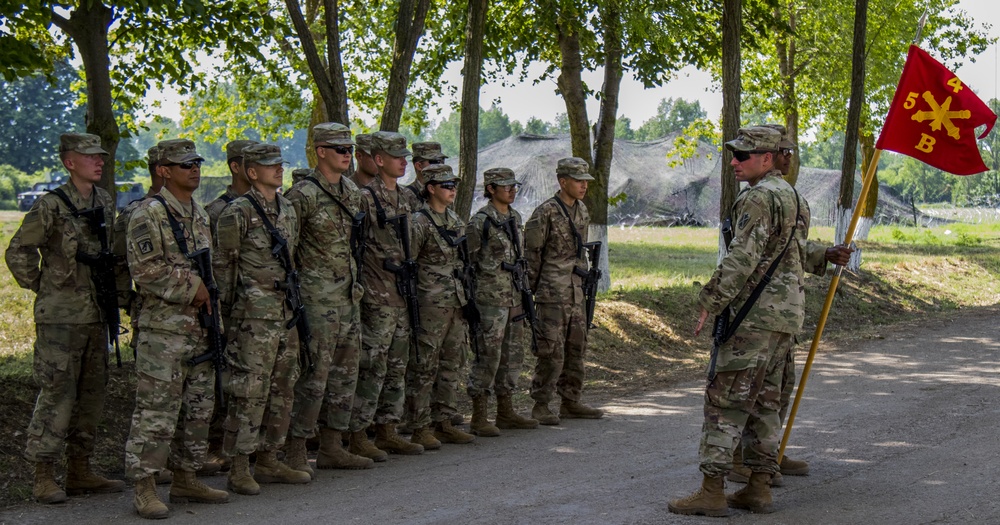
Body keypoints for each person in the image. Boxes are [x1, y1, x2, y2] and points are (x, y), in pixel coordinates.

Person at [668, 126, 804, 517]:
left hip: (752, 317)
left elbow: (743, 257)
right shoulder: (792, 196)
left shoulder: (759, 198)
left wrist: (710, 300)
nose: (733, 162)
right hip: (784, 318)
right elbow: (795, 255)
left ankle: (712, 491)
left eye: (743, 156)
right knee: (765, 403)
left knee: (724, 402)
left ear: (767, 157)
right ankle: (759, 488)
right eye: (733, 155)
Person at [725, 124, 853, 487]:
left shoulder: (792, 197)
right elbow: (748, 253)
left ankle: (765, 458)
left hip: (782, 309)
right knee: (744, 388)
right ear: (772, 155)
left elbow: (791, 250)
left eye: (790, 152)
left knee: (773, 389)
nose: (788, 158)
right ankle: (742, 459)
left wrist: (824, 254)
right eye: (785, 151)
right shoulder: (760, 195)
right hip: (757, 308)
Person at [5, 133, 127, 504]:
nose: (99, 161)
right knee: (58, 393)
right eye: (90, 156)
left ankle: (80, 470)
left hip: (95, 314)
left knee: (92, 395)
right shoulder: (51, 205)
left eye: (101, 156)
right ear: (69, 162)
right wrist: (45, 286)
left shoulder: (104, 201)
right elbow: (19, 250)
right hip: (60, 319)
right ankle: (44, 473)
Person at [124, 139, 229, 519]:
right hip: (164, 332)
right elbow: (146, 270)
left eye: (197, 163)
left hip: (200, 327)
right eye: (185, 165)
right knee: (156, 411)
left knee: (199, 408)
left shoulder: (197, 213)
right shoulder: (147, 213)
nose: (194, 169)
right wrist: (192, 288)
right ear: (163, 171)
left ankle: (187, 476)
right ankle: (145, 486)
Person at [213, 143, 311, 495]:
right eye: (269, 165)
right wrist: (226, 317)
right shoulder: (236, 212)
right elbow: (224, 269)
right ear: (250, 172)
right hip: (252, 315)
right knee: (249, 390)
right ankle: (239, 465)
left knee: (283, 387)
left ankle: (269, 457)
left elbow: (293, 257)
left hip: (284, 311)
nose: (278, 169)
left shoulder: (286, 209)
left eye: (279, 163)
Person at [284, 122, 373, 474]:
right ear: (321, 151)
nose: (347, 155)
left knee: (345, 374)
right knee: (313, 376)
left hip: (348, 296)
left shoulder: (353, 193)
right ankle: (296, 448)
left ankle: (333, 445)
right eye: (340, 149)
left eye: (350, 149)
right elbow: (287, 250)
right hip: (316, 300)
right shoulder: (301, 196)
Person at [349, 131, 425, 460]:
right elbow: (353, 245)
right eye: (396, 156)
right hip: (376, 293)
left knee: (397, 365)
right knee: (372, 366)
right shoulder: (363, 197)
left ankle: (388, 429)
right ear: (378, 160)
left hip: (402, 292)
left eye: (404, 156)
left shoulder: (407, 198)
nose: (403, 161)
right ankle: (358, 433)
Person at [524, 157, 604, 425]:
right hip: (551, 292)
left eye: (586, 182)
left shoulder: (581, 210)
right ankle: (541, 404)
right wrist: (533, 290)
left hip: (576, 290)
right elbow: (532, 254)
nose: (584, 186)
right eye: (579, 181)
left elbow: (579, 250)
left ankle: (571, 401)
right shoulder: (545, 212)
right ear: (563, 182)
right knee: (551, 349)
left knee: (576, 347)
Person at [404, 164, 477, 448]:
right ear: (430, 187)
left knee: (451, 364)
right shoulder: (419, 222)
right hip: (430, 305)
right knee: (424, 367)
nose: (452, 189)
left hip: (455, 302)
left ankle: (444, 420)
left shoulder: (455, 220)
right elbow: (408, 264)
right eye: (445, 185)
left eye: (454, 184)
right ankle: (420, 425)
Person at [465, 168, 539, 435]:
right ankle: (479, 416)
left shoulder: (515, 217)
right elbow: (469, 264)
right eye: (505, 186)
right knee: (488, 356)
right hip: (489, 299)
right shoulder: (480, 222)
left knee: (512, 355)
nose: (511, 190)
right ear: (491, 189)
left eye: (513, 185)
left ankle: (506, 412)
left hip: (514, 296)